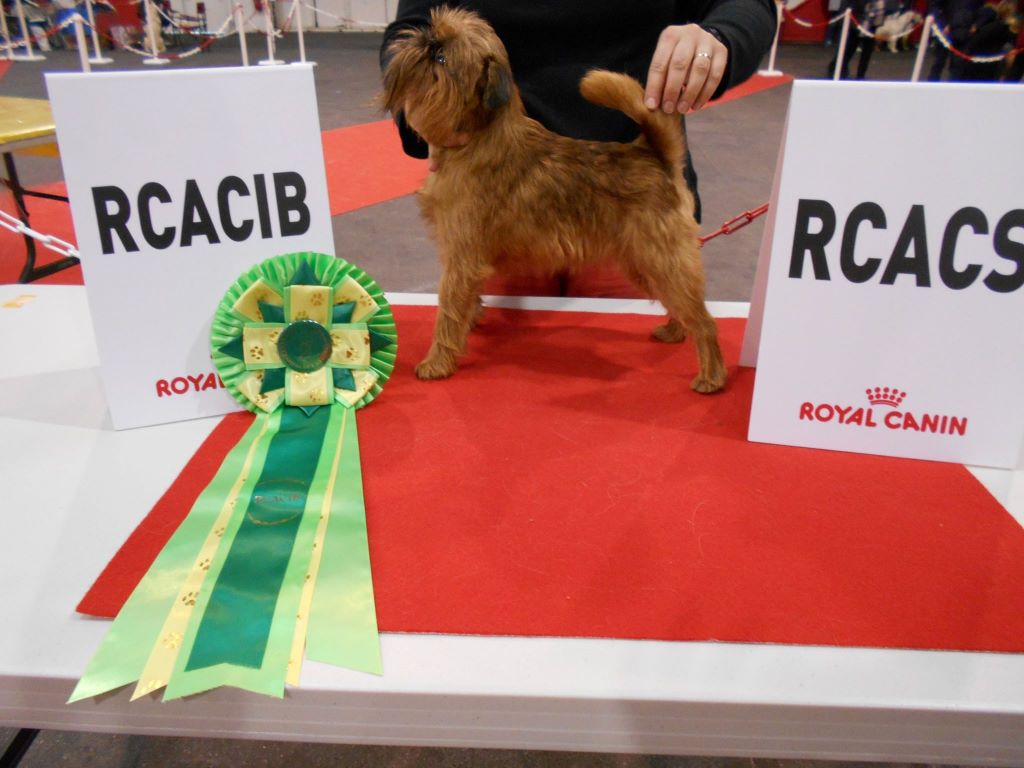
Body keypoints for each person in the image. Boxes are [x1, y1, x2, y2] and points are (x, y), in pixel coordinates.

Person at [381, 0, 777, 231]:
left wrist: (719, 38)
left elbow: (749, 6)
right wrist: (417, 98)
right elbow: (412, 26)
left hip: (632, 204)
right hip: (495, 208)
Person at [826, 0, 886, 78]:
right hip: (858, 23)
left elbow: (880, 12)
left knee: (862, 53)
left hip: (867, 25)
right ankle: (838, 70)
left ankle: (858, 75)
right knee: (850, 51)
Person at [927, 0, 984, 79]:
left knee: (957, 66)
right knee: (938, 63)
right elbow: (934, 5)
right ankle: (932, 84)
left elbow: (978, 9)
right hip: (945, 29)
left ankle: (952, 84)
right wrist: (939, 20)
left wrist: (976, 24)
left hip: (963, 31)